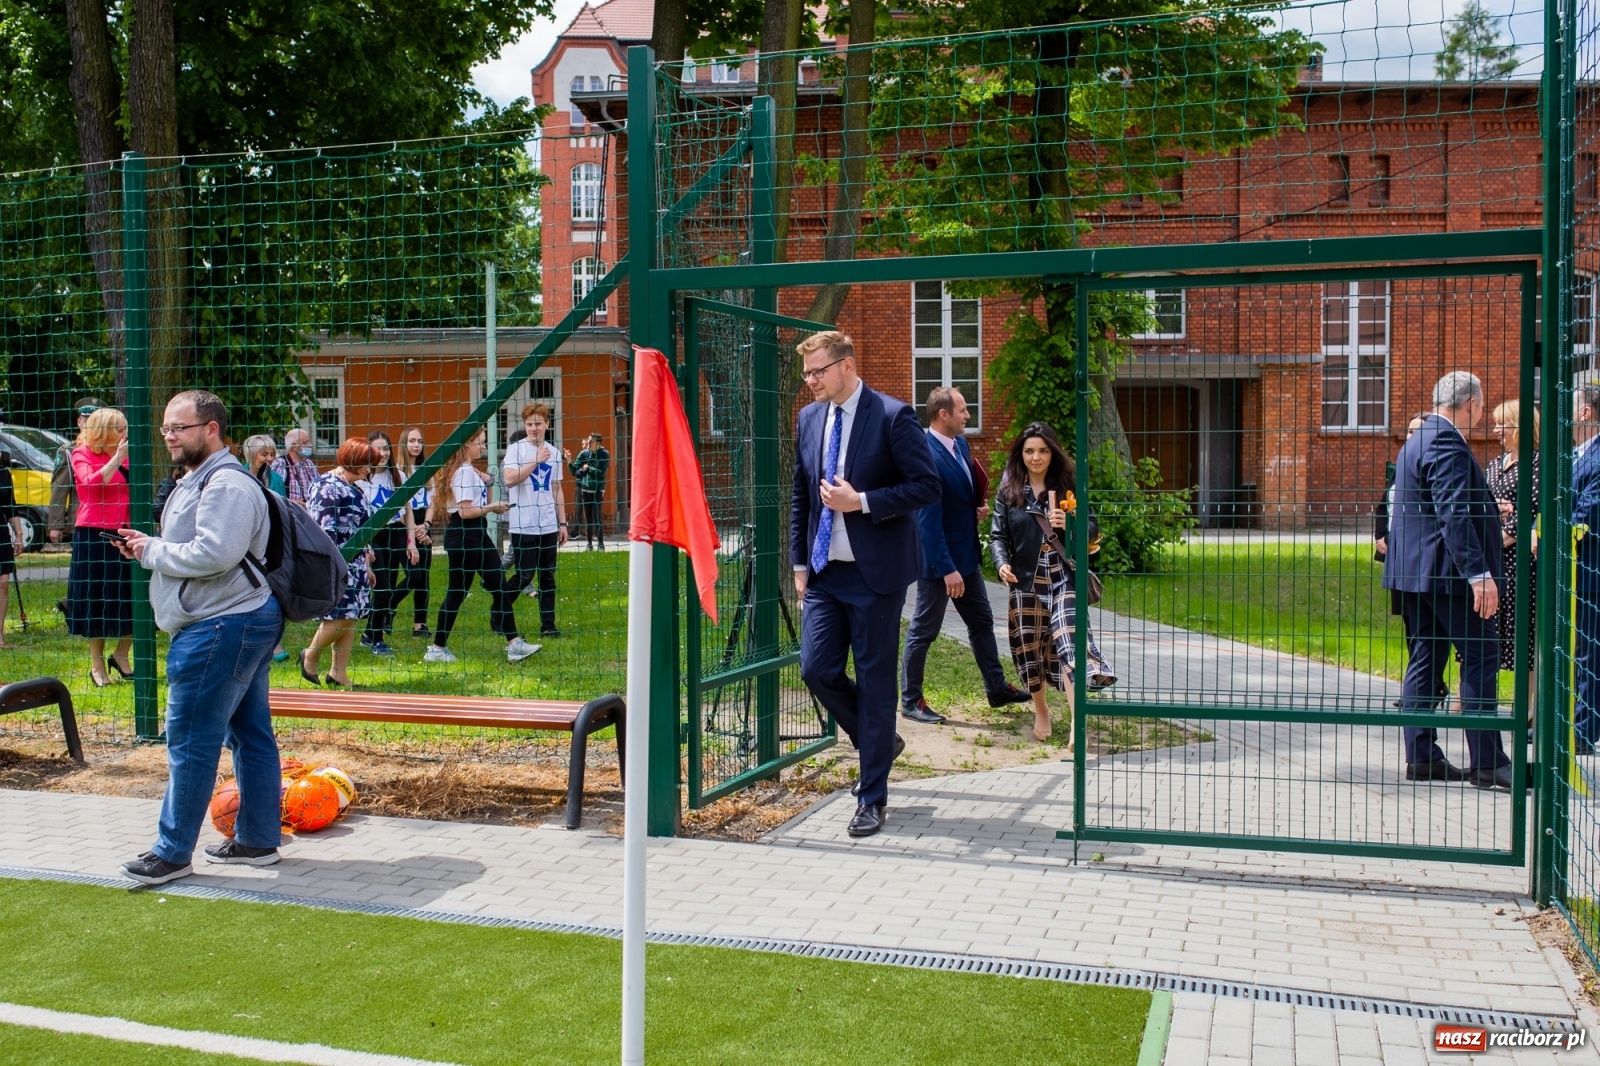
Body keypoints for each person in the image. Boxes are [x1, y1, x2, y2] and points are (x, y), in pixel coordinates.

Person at [114, 390, 282, 885]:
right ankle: (256, 841)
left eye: (178, 428)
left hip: (220, 625)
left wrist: (150, 552)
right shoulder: (200, 478)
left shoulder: (225, 484)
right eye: (165, 427)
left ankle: (170, 853)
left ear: (211, 429)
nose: (168, 435)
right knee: (249, 734)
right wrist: (151, 548)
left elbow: (215, 554)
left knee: (191, 739)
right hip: (234, 620)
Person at [791, 330, 941, 838]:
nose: (810, 381)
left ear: (847, 366)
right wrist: (798, 563)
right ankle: (878, 739)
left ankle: (871, 798)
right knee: (816, 669)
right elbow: (800, 497)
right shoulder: (809, 418)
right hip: (825, 574)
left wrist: (863, 502)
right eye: (806, 373)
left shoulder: (894, 416)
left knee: (877, 685)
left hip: (876, 576)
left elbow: (926, 485)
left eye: (817, 371)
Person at [1382, 371, 1510, 790]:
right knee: (1479, 655)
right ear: (1470, 403)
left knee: (1426, 658)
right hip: (1448, 575)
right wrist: (1479, 575)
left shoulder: (1416, 440)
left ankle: (1423, 757)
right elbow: (1452, 511)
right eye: (1481, 405)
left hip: (1417, 574)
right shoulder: (1445, 440)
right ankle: (1488, 762)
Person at [900, 387, 1030, 723]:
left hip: (965, 556)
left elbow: (955, 498)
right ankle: (911, 701)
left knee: (981, 621)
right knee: (923, 630)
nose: (968, 415)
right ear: (943, 414)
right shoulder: (924, 453)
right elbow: (926, 522)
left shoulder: (960, 443)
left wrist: (974, 509)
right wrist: (947, 570)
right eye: (962, 410)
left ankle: (997, 689)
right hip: (939, 564)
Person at [990, 422, 1116, 745]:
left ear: (1053, 452)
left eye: (1043, 450)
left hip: (1063, 577)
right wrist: (1002, 563)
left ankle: (1078, 722)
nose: (1036, 457)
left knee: (1069, 643)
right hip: (1026, 580)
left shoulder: (1068, 485)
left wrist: (1069, 523)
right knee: (1029, 649)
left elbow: (1092, 529)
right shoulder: (1009, 492)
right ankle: (1042, 711)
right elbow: (997, 536)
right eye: (1030, 450)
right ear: (1021, 453)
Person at [426, 429, 541, 664]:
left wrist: (484, 479)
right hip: (467, 535)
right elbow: (465, 512)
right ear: (466, 445)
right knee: (458, 593)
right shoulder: (464, 473)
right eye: (479, 443)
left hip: (474, 535)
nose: (483, 447)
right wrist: (493, 507)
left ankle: (514, 643)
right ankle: (437, 648)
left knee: (497, 586)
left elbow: (478, 488)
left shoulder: (464, 470)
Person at [300, 438, 379, 690]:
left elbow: (360, 528)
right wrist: (335, 563)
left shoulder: (355, 488)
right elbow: (323, 531)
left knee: (351, 615)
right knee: (341, 615)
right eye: (366, 464)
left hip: (356, 562)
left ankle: (338, 673)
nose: (369, 469)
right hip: (335, 560)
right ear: (352, 461)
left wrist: (366, 562)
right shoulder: (326, 487)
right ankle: (310, 656)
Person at [65, 406, 134, 687]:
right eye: (120, 429)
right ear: (104, 430)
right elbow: (89, 487)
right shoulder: (81, 453)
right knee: (97, 600)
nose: (125, 434)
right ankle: (96, 666)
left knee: (132, 597)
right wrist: (117, 459)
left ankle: (121, 655)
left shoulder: (130, 456)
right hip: (93, 536)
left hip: (126, 534)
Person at [503, 404, 567, 638]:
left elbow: (556, 489)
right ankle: (499, 609)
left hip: (548, 525)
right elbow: (509, 480)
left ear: (547, 424)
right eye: (529, 424)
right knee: (524, 575)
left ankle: (548, 625)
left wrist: (562, 524)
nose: (533, 428)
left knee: (548, 577)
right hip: (523, 524)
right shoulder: (515, 450)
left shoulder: (555, 453)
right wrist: (535, 461)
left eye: (538, 424)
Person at [359, 430, 419, 656]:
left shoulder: (399, 477)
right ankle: (377, 640)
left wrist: (411, 542)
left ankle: (368, 632)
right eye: (377, 449)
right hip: (374, 535)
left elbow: (409, 511)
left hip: (397, 533)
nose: (382, 453)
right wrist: (366, 546)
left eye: (386, 448)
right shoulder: (363, 478)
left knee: (409, 578)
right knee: (382, 589)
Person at [240, 435, 291, 663]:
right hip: (242, 539)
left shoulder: (276, 478)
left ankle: (273, 643)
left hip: (270, 538)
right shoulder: (237, 475)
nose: (269, 459)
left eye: (272, 454)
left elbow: (282, 506)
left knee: (271, 588)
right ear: (250, 455)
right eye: (264, 454)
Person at [1571, 374, 1600, 754]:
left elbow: (1588, 511)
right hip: (1574, 572)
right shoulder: (1577, 455)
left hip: (1591, 571)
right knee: (1577, 652)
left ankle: (1583, 731)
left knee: (1590, 652)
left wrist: (1545, 532)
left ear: (1586, 411)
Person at [392, 426, 435, 638]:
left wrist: (425, 526)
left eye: (419, 441)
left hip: (423, 524)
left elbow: (432, 503)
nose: (416, 445)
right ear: (403, 443)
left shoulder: (427, 470)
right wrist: (413, 530)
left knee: (424, 578)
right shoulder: (397, 472)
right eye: (411, 441)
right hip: (403, 526)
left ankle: (420, 625)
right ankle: (387, 606)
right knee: (414, 575)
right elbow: (397, 507)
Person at [47, 396, 105, 544]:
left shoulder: (112, 449)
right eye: (87, 421)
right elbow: (59, 488)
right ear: (79, 422)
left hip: (110, 519)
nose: (91, 427)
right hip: (81, 520)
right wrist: (56, 525)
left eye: (95, 422)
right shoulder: (69, 451)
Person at [0, 451, 26, 645]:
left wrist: (18, 534)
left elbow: (11, 506)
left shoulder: (4, 472)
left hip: (1, 532)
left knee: (3, 582)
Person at [569, 432, 611, 549]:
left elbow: (601, 473)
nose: (588, 443)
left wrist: (588, 468)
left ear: (597, 443)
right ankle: (589, 544)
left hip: (598, 489)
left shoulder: (604, 454)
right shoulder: (583, 453)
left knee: (596, 516)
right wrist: (568, 461)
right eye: (587, 441)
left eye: (590, 441)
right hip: (585, 489)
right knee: (587, 518)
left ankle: (601, 544)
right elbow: (574, 471)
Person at [271, 427, 319, 507]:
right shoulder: (281, 463)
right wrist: (292, 502)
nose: (310, 445)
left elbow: (318, 486)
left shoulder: (309, 463)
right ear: (295, 447)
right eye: (305, 442)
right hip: (292, 512)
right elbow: (274, 493)